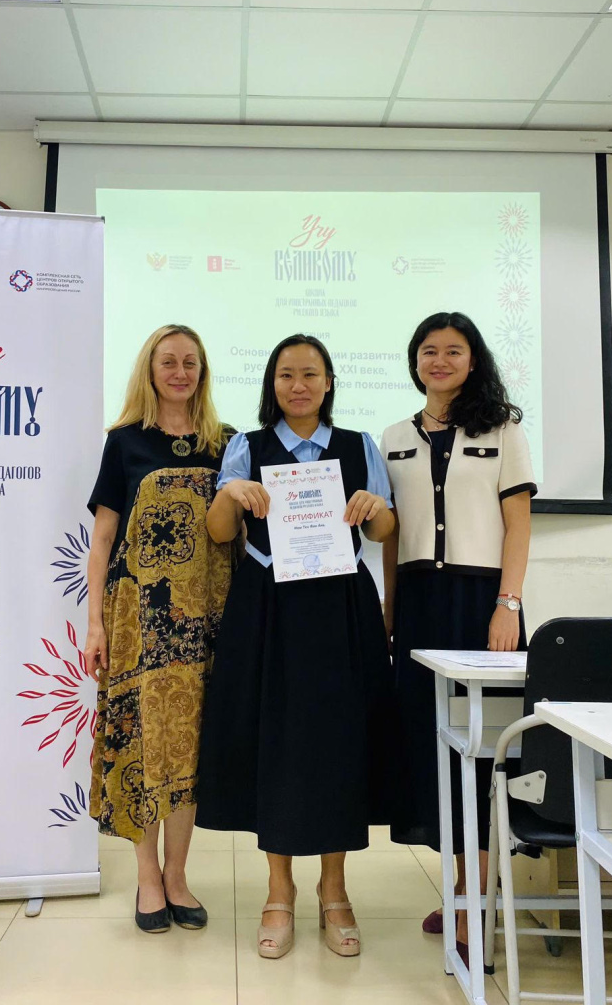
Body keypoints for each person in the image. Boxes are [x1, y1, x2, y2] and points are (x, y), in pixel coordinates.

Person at [196, 333, 395, 960]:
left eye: (310, 374)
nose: (298, 385)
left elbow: (384, 530)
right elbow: (219, 532)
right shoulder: (246, 447)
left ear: (329, 382)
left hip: (340, 608)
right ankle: (278, 892)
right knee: (274, 740)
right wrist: (230, 495)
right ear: (272, 384)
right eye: (286, 374)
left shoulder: (358, 446)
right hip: (268, 608)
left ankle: (334, 890)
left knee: (339, 741)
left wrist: (375, 505)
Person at [381, 311, 535, 962]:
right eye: (428, 350)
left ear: (473, 360)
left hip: (482, 606)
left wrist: (508, 605)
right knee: (431, 747)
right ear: (414, 360)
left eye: (453, 350)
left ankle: (477, 901)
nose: (439, 361)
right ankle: (461, 889)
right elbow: (391, 538)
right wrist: (391, 612)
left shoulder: (502, 429)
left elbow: (519, 524)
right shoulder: (393, 437)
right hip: (419, 605)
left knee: (482, 750)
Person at [83, 324, 234, 934]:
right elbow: (102, 539)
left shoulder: (226, 443)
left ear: (203, 372)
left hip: (206, 620)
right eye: (168, 362)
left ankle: (178, 875)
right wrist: (94, 623)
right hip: (137, 621)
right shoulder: (124, 442)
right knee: (143, 746)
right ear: (150, 370)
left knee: (190, 749)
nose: (180, 373)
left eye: (190, 363)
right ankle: (148, 876)